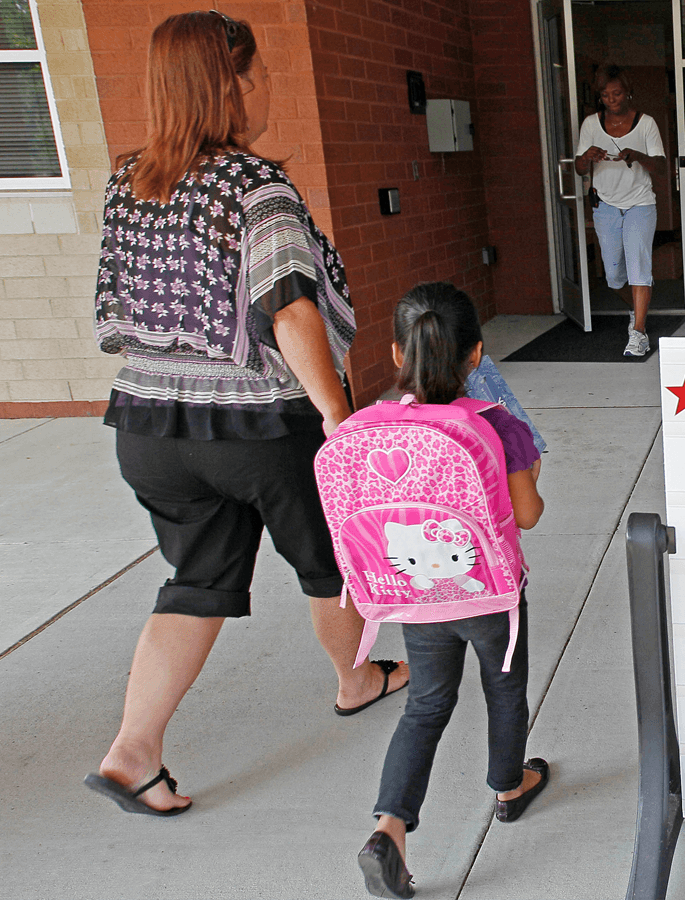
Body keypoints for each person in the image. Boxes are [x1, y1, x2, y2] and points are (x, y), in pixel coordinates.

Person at [82, 11, 408, 818]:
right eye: (259, 77)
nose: (266, 92)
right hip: (257, 425)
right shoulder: (254, 189)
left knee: (196, 579)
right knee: (332, 563)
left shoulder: (129, 180)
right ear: (231, 85)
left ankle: (133, 753)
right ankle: (356, 678)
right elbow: (288, 307)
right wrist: (336, 412)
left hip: (149, 426)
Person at [355, 283, 546, 900]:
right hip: (489, 596)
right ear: (476, 355)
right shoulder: (496, 425)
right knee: (503, 689)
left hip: (416, 595)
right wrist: (530, 476)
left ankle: (390, 827)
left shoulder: (376, 430)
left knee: (426, 706)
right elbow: (528, 515)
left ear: (394, 354)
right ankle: (509, 786)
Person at [573, 65, 667, 357]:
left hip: (640, 203)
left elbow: (662, 166)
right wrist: (587, 157)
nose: (612, 100)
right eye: (605, 95)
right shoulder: (591, 124)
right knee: (614, 274)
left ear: (628, 92)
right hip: (607, 205)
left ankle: (638, 333)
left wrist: (637, 156)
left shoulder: (646, 123)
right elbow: (578, 168)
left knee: (640, 267)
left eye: (617, 93)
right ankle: (636, 308)